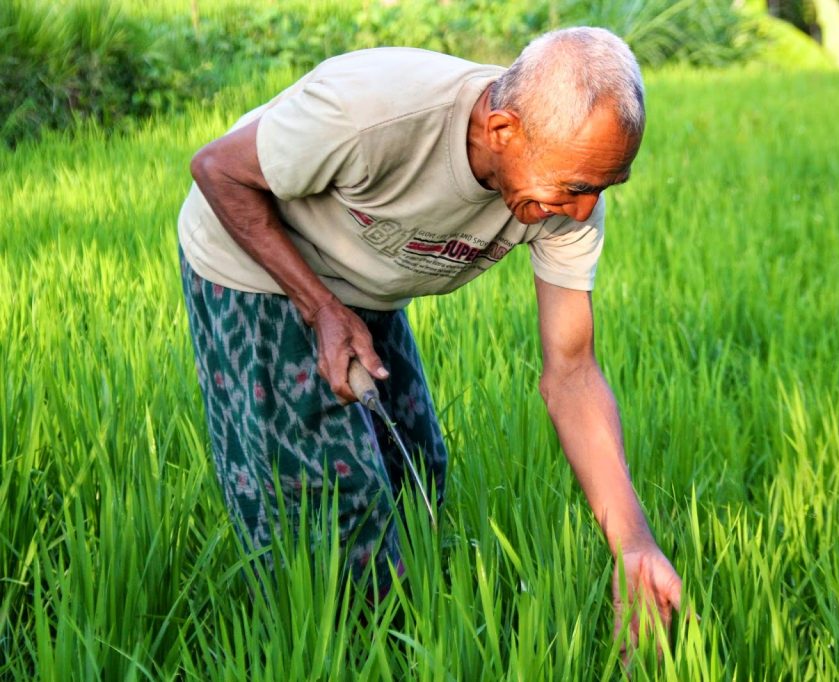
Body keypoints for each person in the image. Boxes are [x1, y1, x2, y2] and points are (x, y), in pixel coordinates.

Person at [178, 26, 682, 648]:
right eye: (576, 188)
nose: (582, 211)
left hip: (362, 284)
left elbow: (572, 373)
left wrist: (632, 543)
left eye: (603, 188)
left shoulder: (566, 186)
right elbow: (217, 169)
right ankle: (332, 650)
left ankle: (414, 640)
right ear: (503, 132)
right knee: (331, 507)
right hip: (253, 266)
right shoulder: (374, 113)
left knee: (417, 477)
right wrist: (321, 307)